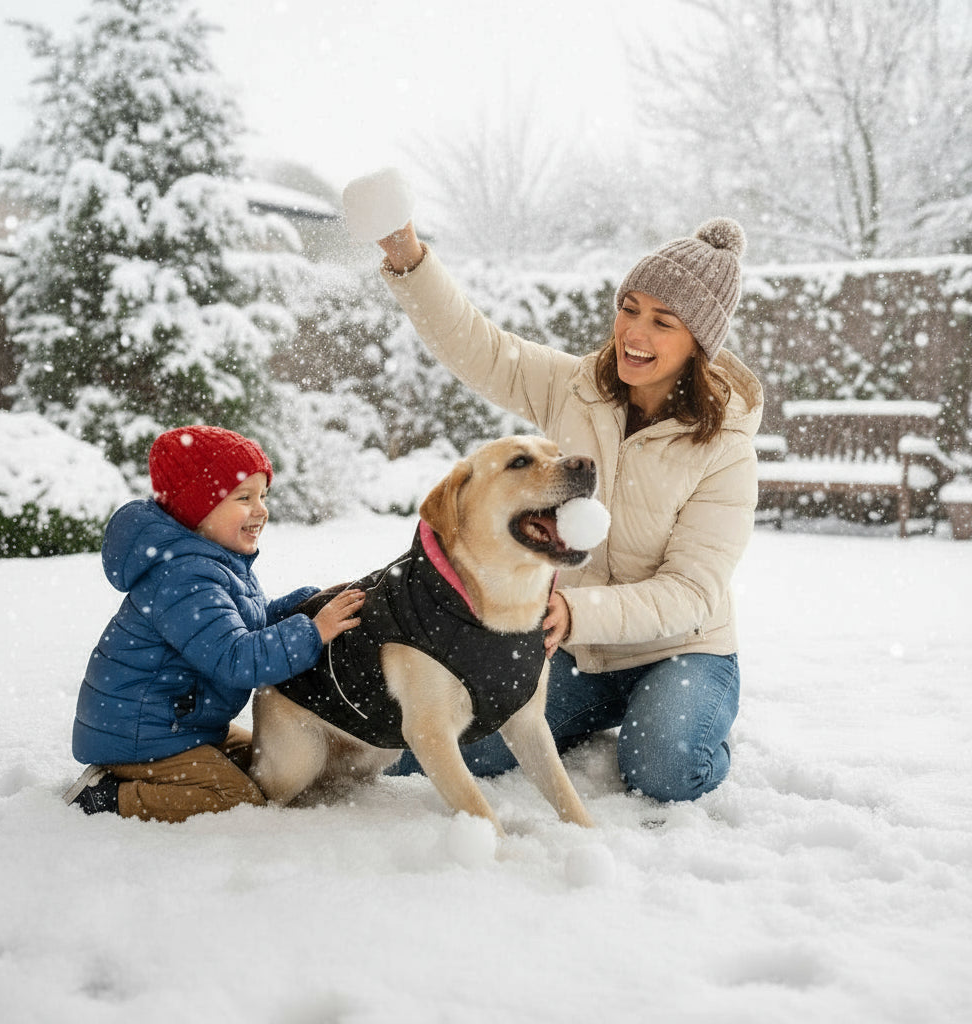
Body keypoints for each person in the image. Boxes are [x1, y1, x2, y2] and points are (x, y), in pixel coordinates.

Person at [377, 216, 762, 802]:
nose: (635, 332)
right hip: (573, 652)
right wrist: (409, 259)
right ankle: (592, 714)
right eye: (629, 308)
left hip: (680, 649)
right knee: (462, 749)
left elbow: (691, 591)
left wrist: (577, 612)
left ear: (699, 345)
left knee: (666, 766)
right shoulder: (575, 388)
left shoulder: (725, 449)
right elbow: (479, 347)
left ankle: (684, 718)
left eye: (663, 323)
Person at [63, 424, 365, 822]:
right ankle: (106, 796)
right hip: (141, 738)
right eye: (244, 497)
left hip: (184, 727)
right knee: (237, 798)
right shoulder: (184, 578)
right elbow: (236, 658)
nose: (261, 509)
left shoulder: (214, 563)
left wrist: (305, 607)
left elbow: (247, 623)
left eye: (263, 495)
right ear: (198, 509)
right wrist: (314, 631)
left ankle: (158, 779)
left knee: (267, 766)